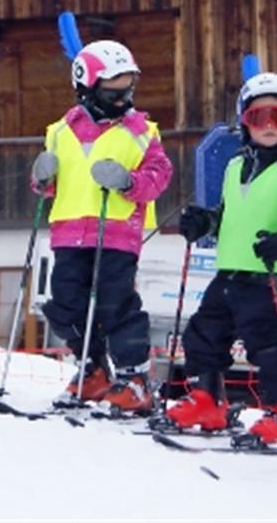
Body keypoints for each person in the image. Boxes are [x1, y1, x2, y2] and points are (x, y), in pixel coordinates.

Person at [165, 72, 277, 445]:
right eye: (258, 118)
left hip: (269, 273)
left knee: (268, 344)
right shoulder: (236, 165)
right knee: (202, 335)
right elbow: (227, 215)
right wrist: (203, 222)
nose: (269, 126)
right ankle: (207, 399)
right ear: (244, 122)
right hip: (230, 271)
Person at [31, 40, 172, 413]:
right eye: (113, 87)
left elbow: (159, 175)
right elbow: (53, 185)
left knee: (116, 304)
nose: (123, 95)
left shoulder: (141, 130)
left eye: (128, 85)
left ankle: (134, 377)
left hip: (117, 232)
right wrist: (42, 179)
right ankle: (92, 367)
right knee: (64, 302)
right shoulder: (60, 131)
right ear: (87, 87)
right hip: (68, 232)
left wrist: (129, 182)